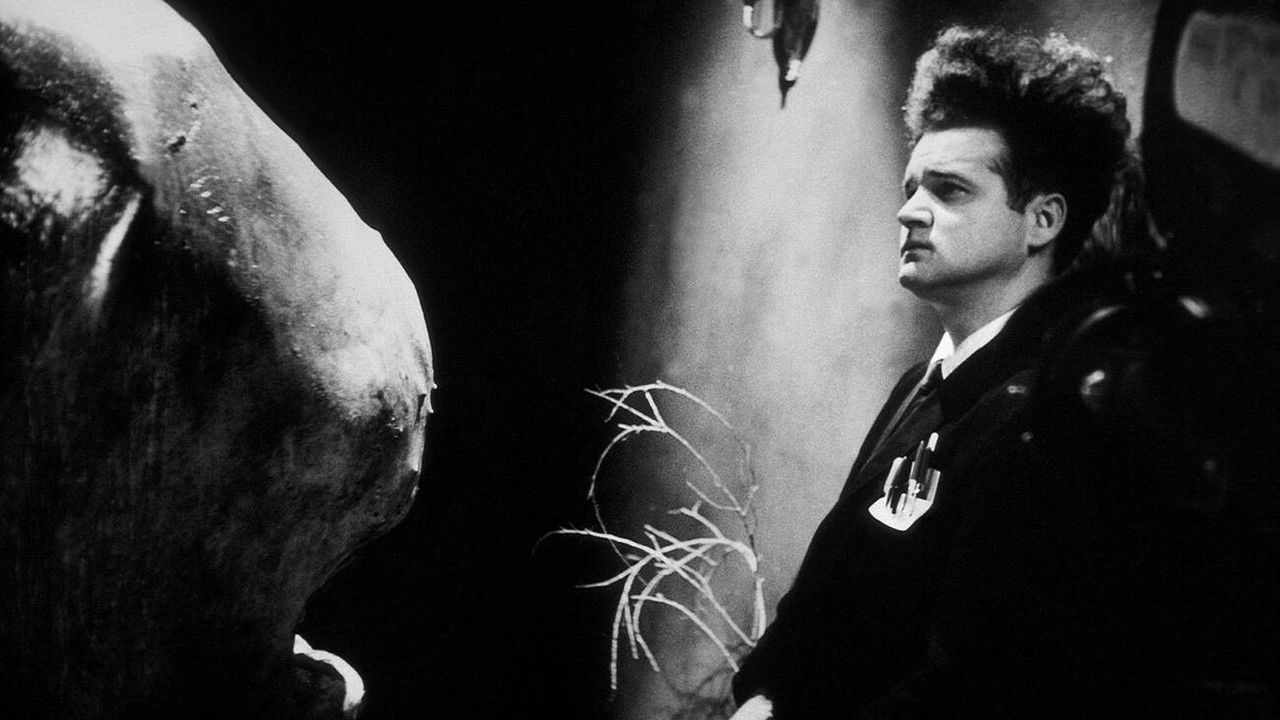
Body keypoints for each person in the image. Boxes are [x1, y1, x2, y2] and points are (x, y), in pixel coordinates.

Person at [729, 25, 1166, 719]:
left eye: (950, 191)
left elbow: (975, 683)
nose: (909, 211)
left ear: (1043, 219)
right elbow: (822, 593)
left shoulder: (1045, 414)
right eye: (911, 188)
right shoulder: (918, 385)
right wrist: (760, 692)